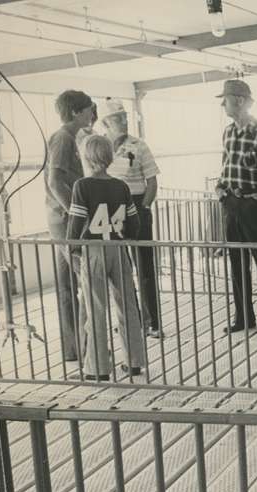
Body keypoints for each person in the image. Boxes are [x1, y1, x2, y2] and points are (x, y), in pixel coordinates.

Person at [67, 135, 146, 380]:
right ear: (110, 157)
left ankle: (98, 368)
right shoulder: (121, 186)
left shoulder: (82, 186)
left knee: (96, 309)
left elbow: (75, 225)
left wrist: (73, 249)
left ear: (87, 158)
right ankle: (134, 362)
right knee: (128, 306)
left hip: (94, 249)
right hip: (118, 248)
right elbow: (135, 224)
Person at [214, 79, 257, 337]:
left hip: (256, 207)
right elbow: (226, 165)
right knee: (236, 262)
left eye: (226, 99)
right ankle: (243, 317)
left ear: (240, 100)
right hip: (232, 204)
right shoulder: (228, 132)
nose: (223, 104)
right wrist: (221, 188)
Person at [100, 98, 163, 338]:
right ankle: (131, 320)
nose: (123, 121)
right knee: (118, 270)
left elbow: (152, 181)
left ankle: (153, 322)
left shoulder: (139, 146)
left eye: (125, 117)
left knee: (144, 267)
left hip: (136, 206)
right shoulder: (100, 147)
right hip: (110, 210)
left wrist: (144, 208)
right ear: (106, 122)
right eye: (117, 118)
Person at [45, 89, 94, 363]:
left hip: (58, 219)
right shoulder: (63, 138)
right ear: (76, 111)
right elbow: (55, 182)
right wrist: (75, 215)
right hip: (65, 221)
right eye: (88, 109)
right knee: (85, 279)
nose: (90, 114)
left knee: (66, 284)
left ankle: (73, 347)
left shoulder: (68, 138)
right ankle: (90, 347)